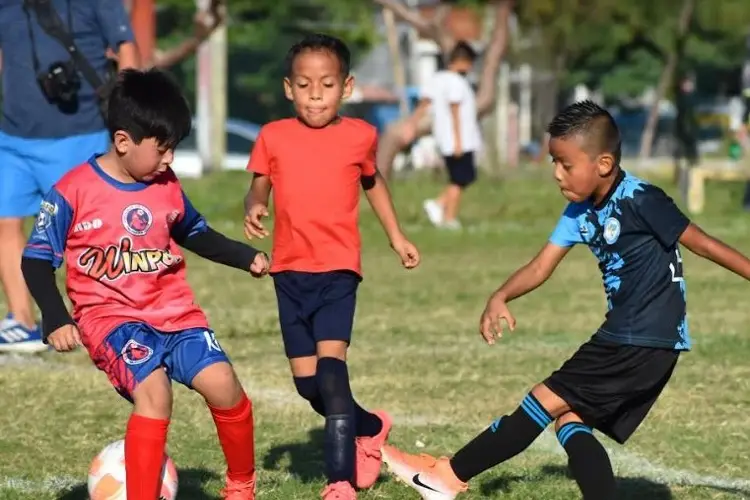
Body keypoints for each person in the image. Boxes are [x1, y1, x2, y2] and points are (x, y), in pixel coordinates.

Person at [380, 100, 750, 500]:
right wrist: (501, 295)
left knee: (540, 401)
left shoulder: (642, 198)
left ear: (603, 164)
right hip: (649, 343)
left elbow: (704, 245)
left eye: (566, 164)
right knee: (570, 420)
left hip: (635, 336)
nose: (557, 174)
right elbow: (541, 267)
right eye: (554, 162)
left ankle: (448, 477)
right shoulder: (578, 211)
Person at [20, 69, 264, 500]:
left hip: (176, 314)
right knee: (155, 393)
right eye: (163, 149)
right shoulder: (73, 190)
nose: (170, 160)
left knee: (225, 385)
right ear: (122, 142)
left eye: (174, 149)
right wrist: (55, 317)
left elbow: (194, 232)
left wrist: (248, 258)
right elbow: (36, 259)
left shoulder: (166, 186)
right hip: (111, 320)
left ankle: (242, 486)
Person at [243, 33, 421, 500]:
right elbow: (259, 186)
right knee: (307, 386)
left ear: (347, 86)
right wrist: (255, 205)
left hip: (339, 272)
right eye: (304, 84)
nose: (315, 94)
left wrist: (396, 236)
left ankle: (339, 482)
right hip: (288, 273)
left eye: (326, 83)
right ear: (288, 88)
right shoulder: (273, 136)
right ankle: (370, 426)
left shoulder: (360, 135)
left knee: (331, 370)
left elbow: (374, 182)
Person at [0, 0, 139, 352]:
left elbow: (126, 47)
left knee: (91, 235)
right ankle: (24, 323)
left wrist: (129, 110)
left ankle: (114, 319)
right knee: (5, 222)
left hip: (79, 135)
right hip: (11, 137)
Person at [416, 41, 482, 230]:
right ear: (461, 61)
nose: (470, 67)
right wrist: (458, 141)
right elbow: (455, 111)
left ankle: (441, 208)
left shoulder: (437, 79)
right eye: (469, 63)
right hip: (458, 140)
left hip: (446, 139)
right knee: (460, 179)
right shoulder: (455, 82)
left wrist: (412, 124)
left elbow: (424, 103)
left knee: (461, 178)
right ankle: (446, 213)